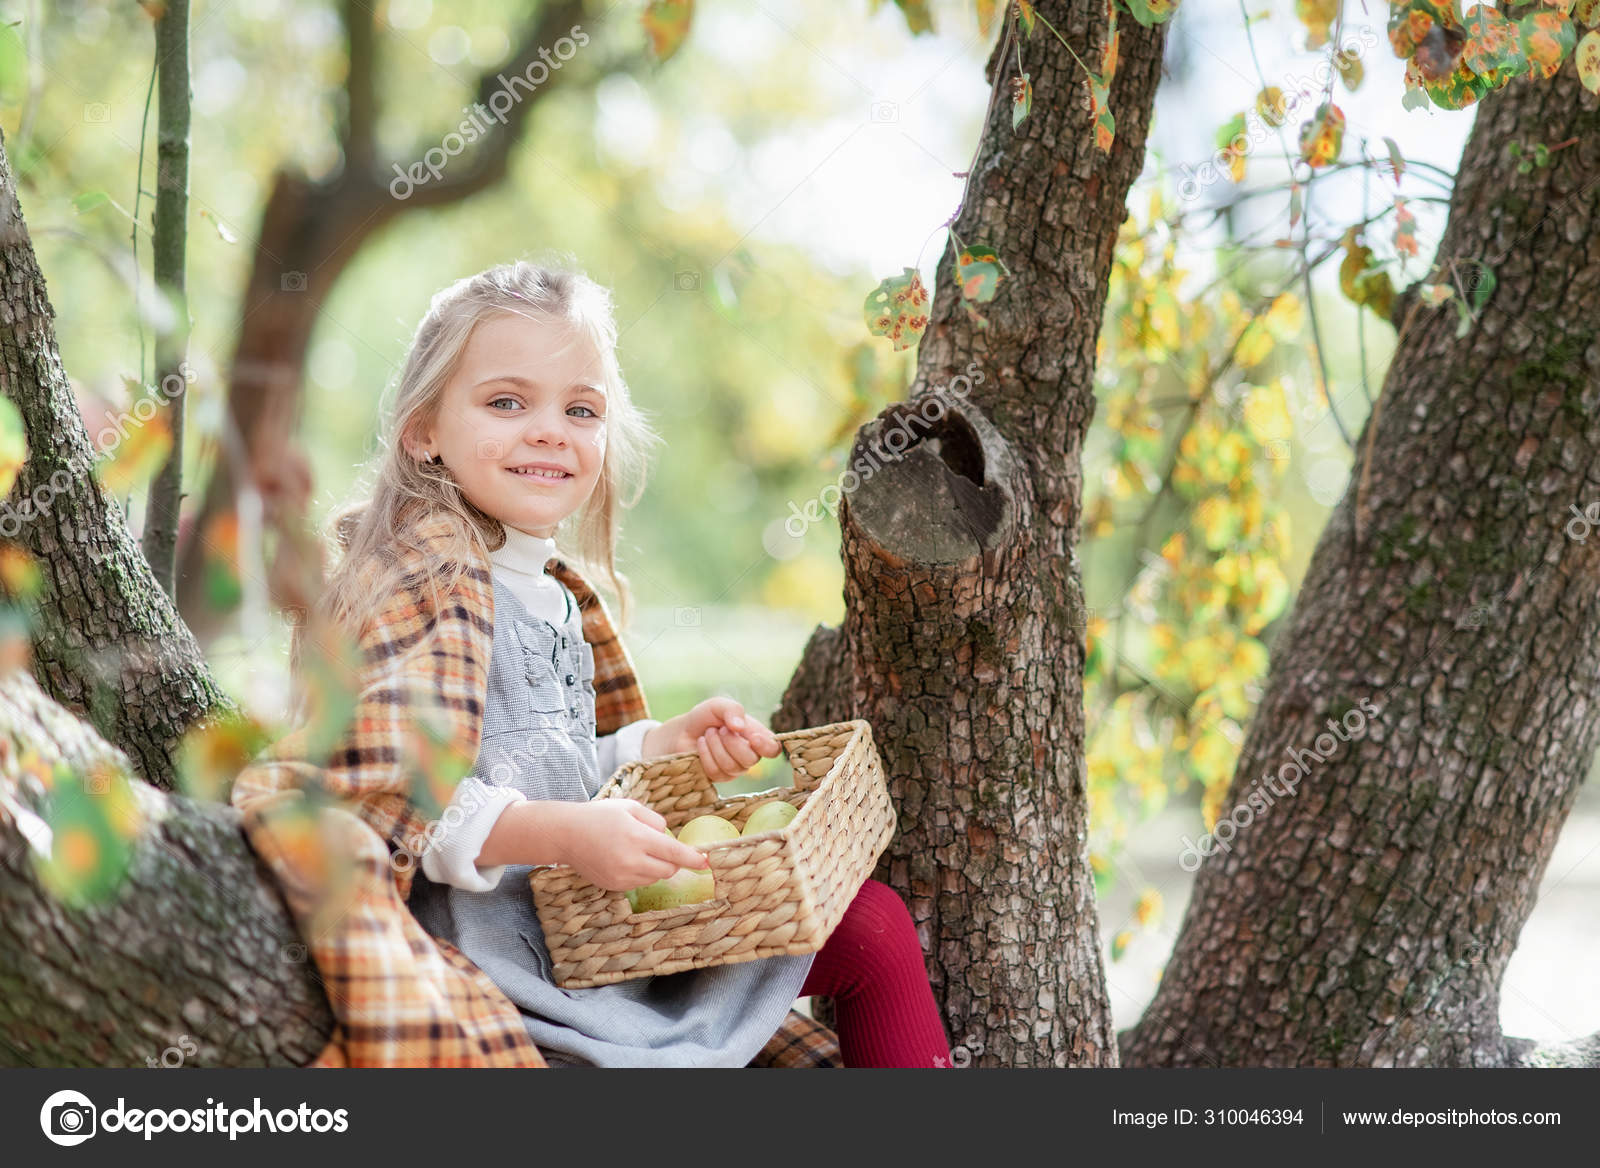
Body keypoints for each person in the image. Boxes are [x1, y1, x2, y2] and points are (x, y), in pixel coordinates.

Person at [300, 257, 952, 1068]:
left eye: (581, 409)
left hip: (599, 930)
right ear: (424, 430)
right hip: (506, 961)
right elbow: (393, 800)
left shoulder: (556, 594)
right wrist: (564, 836)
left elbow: (549, 756)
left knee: (874, 926)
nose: (549, 430)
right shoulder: (414, 579)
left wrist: (654, 745)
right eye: (507, 402)